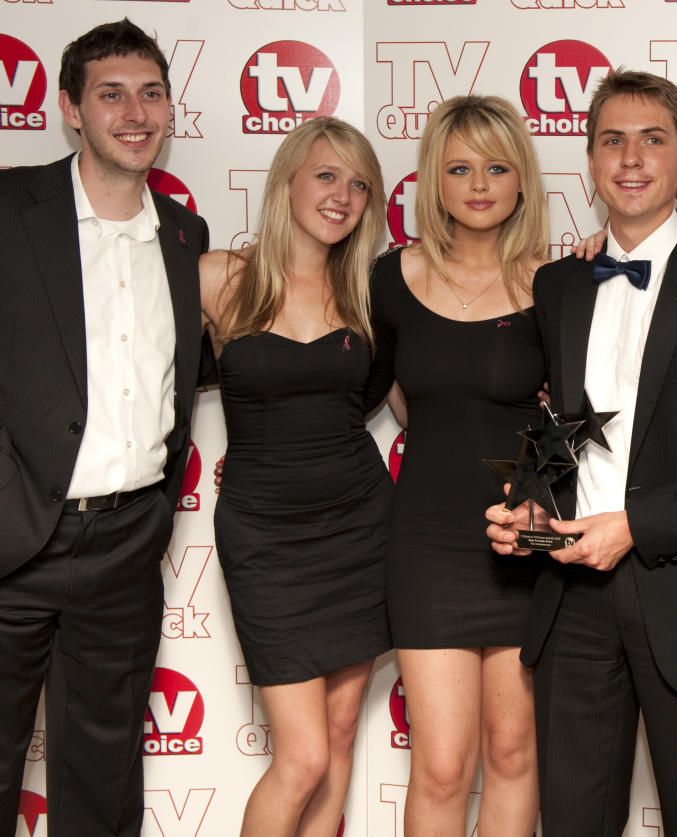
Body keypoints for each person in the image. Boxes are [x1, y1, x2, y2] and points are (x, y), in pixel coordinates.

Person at [486, 70, 677, 836]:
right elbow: (568, 425)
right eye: (612, 141)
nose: (631, 158)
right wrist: (534, 500)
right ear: (590, 162)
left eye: (652, 139)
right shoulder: (558, 284)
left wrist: (634, 525)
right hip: (573, 600)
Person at [0, 19, 209, 836]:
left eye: (151, 93)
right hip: (13, 542)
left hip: (125, 545)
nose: (135, 111)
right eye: (111, 93)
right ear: (69, 110)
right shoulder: (11, 207)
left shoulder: (185, 238)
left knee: (103, 773)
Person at [198, 117, 390, 836]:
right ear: (287, 180)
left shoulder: (373, 294)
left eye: (360, 183)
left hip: (360, 530)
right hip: (264, 540)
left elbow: (427, 387)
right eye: (327, 174)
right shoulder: (221, 278)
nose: (343, 194)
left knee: (339, 736)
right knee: (302, 755)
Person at [367, 95, 546, 837]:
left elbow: (576, 414)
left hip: (528, 538)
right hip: (429, 540)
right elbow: (405, 402)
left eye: (498, 167)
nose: (479, 184)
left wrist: (535, 504)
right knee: (442, 765)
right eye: (460, 168)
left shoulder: (556, 282)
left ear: (521, 181)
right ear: (432, 181)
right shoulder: (387, 278)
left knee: (513, 750)